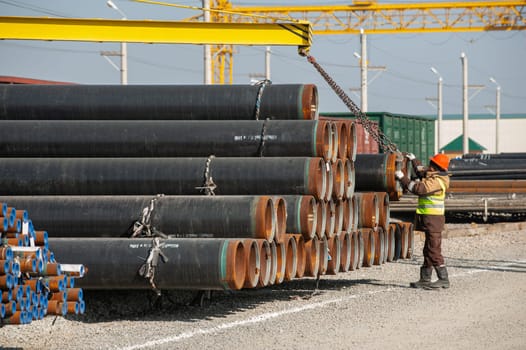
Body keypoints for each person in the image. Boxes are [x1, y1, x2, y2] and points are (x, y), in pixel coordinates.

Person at [395, 153, 451, 289]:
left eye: (431, 165)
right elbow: (421, 171)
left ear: (436, 168)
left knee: (434, 250)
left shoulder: (438, 182)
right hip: (429, 219)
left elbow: (418, 189)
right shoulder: (435, 176)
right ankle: (425, 279)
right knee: (428, 250)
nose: (429, 167)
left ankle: (443, 279)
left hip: (434, 220)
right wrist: (414, 160)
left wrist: (403, 178)